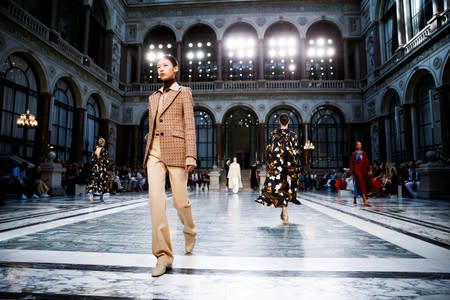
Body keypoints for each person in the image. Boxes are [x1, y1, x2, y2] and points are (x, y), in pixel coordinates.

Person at [143, 55, 197, 277]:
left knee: (180, 201)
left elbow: (190, 125)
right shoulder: (152, 97)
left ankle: (190, 229)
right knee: (156, 202)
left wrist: (191, 155)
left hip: (177, 149)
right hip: (154, 151)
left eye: (165, 65)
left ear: (175, 68)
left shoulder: (184, 92)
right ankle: (163, 255)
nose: (160, 69)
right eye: (158, 67)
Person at [255, 113, 301, 224]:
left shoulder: (273, 134)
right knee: (286, 188)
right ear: (288, 121)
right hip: (289, 166)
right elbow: (297, 151)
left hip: (277, 166)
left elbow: (269, 150)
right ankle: (284, 211)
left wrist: (270, 163)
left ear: (279, 122)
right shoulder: (293, 135)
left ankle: (284, 211)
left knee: (279, 187)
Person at [87, 137, 109, 202]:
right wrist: (106, 162)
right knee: (102, 181)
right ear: (103, 143)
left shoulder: (95, 149)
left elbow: (92, 159)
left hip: (95, 167)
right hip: (102, 168)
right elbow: (106, 160)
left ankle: (91, 195)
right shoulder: (104, 150)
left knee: (94, 180)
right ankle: (101, 197)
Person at [349, 141, 371, 206]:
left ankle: (355, 197)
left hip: (363, 171)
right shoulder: (353, 154)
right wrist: (351, 172)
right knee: (361, 183)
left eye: (360, 145)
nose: (359, 146)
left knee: (361, 184)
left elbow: (366, 162)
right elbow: (351, 163)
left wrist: (369, 170)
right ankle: (364, 197)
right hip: (356, 169)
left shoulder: (364, 153)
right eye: (358, 145)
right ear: (356, 146)